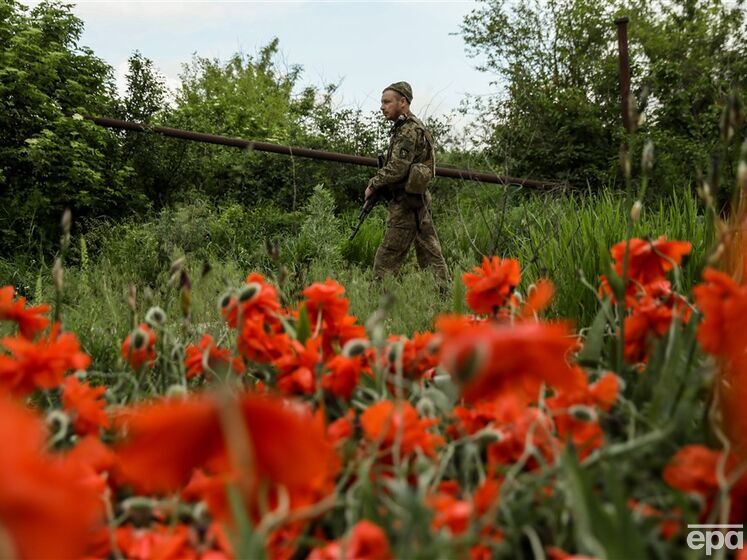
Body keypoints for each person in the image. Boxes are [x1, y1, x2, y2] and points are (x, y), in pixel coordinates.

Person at [365, 81, 450, 289]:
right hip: (416, 201)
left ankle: (378, 301)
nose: (382, 107)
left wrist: (373, 184)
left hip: (406, 203)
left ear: (403, 102)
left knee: (387, 257)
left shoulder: (408, 130)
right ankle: (443, 295)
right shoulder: (407, 127)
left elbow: (397, 168)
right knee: (430, 252)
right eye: (382, 102)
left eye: (387, 102)